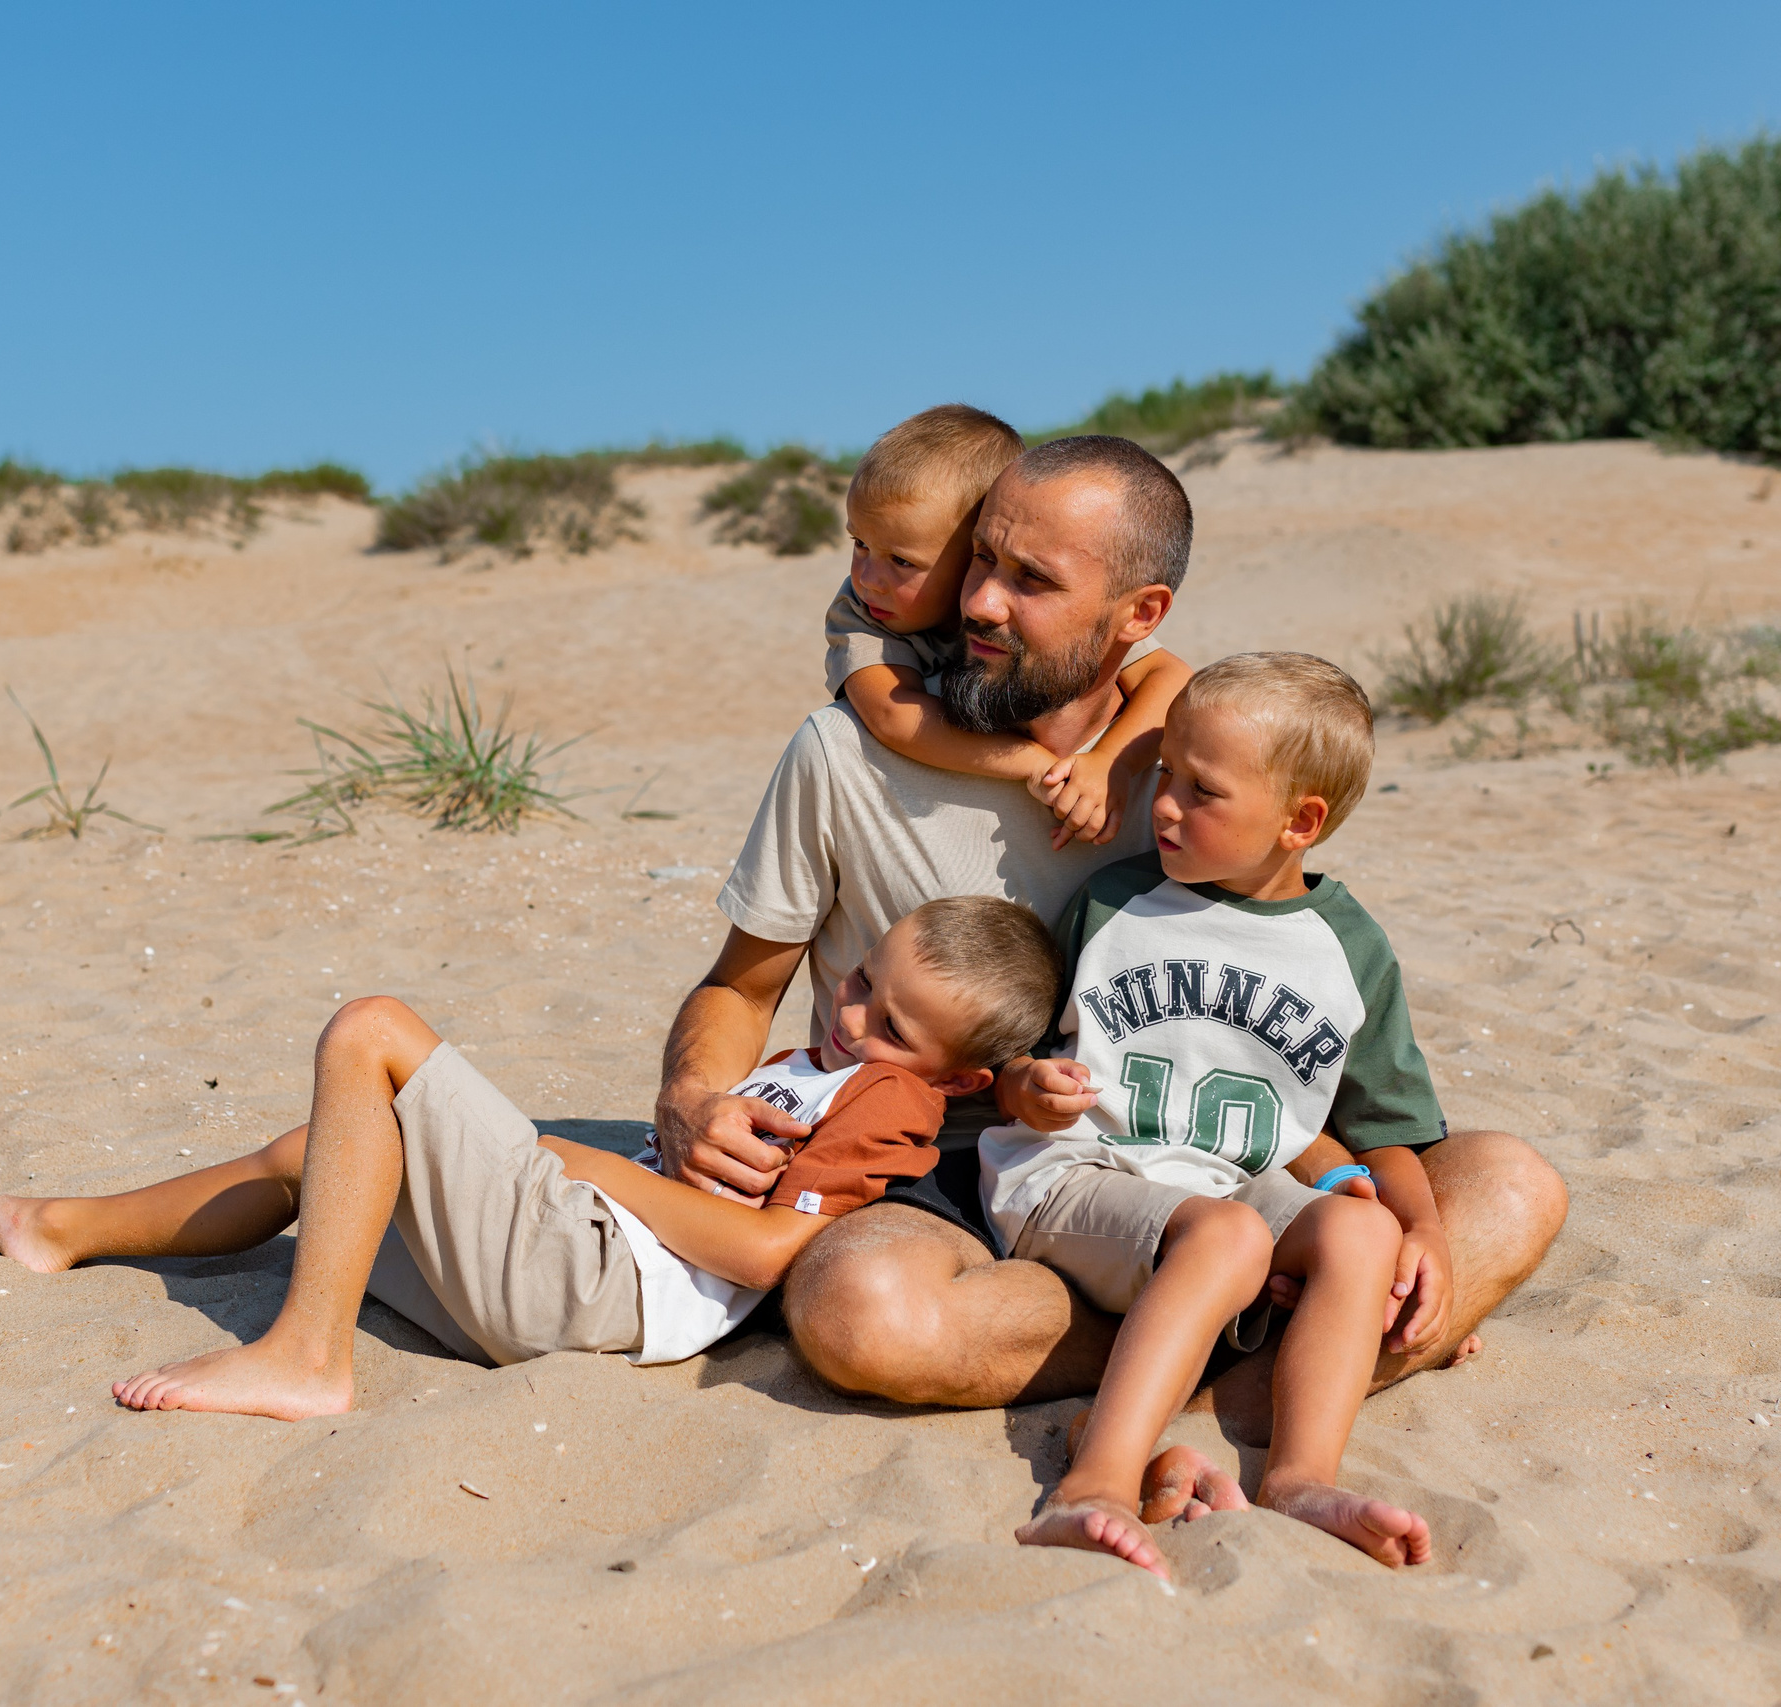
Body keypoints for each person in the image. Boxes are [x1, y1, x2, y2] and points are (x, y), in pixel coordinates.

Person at [653, 429, 1567, 1424]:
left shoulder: (1189, 786)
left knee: (1510, 1185)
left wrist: (1360, 1196)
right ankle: (1269, 1362)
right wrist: (692, 1098)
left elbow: (1277, 1034)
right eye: (980, 562)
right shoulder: (841, 754)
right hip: (954, 1170)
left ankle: (1239, 1335)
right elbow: (742, 986)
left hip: (1196, 1161)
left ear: (1141, 614)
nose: (978, 603)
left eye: (1030, 581)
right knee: (861, 1316)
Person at [0, 896, 1060, 1421]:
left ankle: (307, 1356)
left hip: (595, 1283)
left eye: (894, 1023)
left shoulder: (890, 1101)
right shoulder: (821, 1055)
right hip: (564, 1271)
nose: (854, 1016)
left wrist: (589, 1163)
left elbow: (770, 1252)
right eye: (860, 981)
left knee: (373, 1029)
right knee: (326, 1151)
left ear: (954, 1079)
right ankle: (62, 1230)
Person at [993, 653, 1437, 1577]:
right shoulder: (1115, 904)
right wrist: (1026, 1086)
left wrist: (1422, 1226)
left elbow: (1388, 1125)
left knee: (1361, 1235)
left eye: (1203, 791)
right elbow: (1016, 1060)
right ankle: (1097, 1480)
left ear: (1299, 821)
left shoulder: (1346, 947)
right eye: (1165, 774)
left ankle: (1302, 1476)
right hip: (1083, 1176)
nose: (1163, 805)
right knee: (1231, 1238)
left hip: (1230, 1189)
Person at [828, 405, 1191, 850]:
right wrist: (1033, 763)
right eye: (859, 543)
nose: (867, 578)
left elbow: (1171, 678)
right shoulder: (862, 611)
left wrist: (1110, 763)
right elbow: (892, 716)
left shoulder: (1045, 611)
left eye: (902, 561)